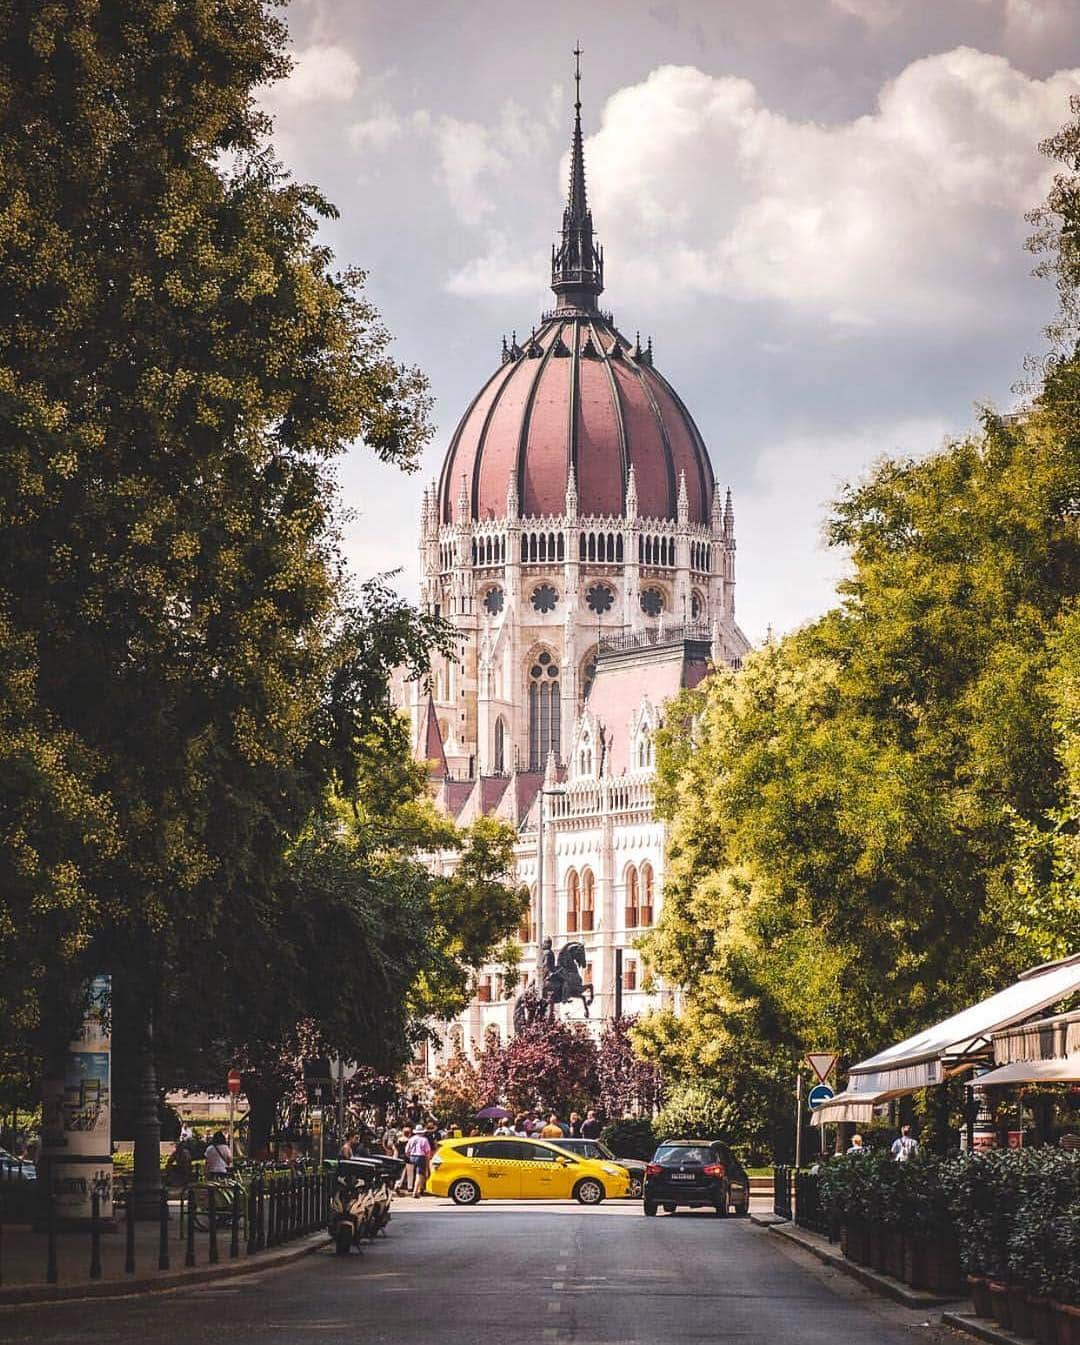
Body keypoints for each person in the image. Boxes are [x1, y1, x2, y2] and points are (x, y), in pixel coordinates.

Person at [405, 1127, 432, 1197]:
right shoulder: (424, 1140)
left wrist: (409, 1156)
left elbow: (406, 1150)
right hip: (420, 1157)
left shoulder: (411, 1139)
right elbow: (428, 1152)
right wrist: (427, 1161)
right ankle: (415, 1191)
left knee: (411, 1173)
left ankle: (420, 1188)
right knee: (419, 1174)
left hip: (412, 1156)